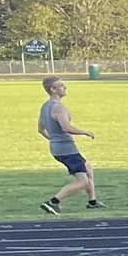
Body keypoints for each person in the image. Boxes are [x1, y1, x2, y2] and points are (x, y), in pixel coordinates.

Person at [37, 76, 106, 214]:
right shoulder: (58, 107)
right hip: (67, 149)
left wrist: (54, 140)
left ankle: (92, 202)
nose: (65, 88)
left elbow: (40, 129)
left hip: (58, 148)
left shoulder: (45, 106)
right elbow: (66, 127)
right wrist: (85, 132)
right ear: (53, 89)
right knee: (83, 181)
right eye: (62, 86)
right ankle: (53, 202)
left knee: (88, 168)